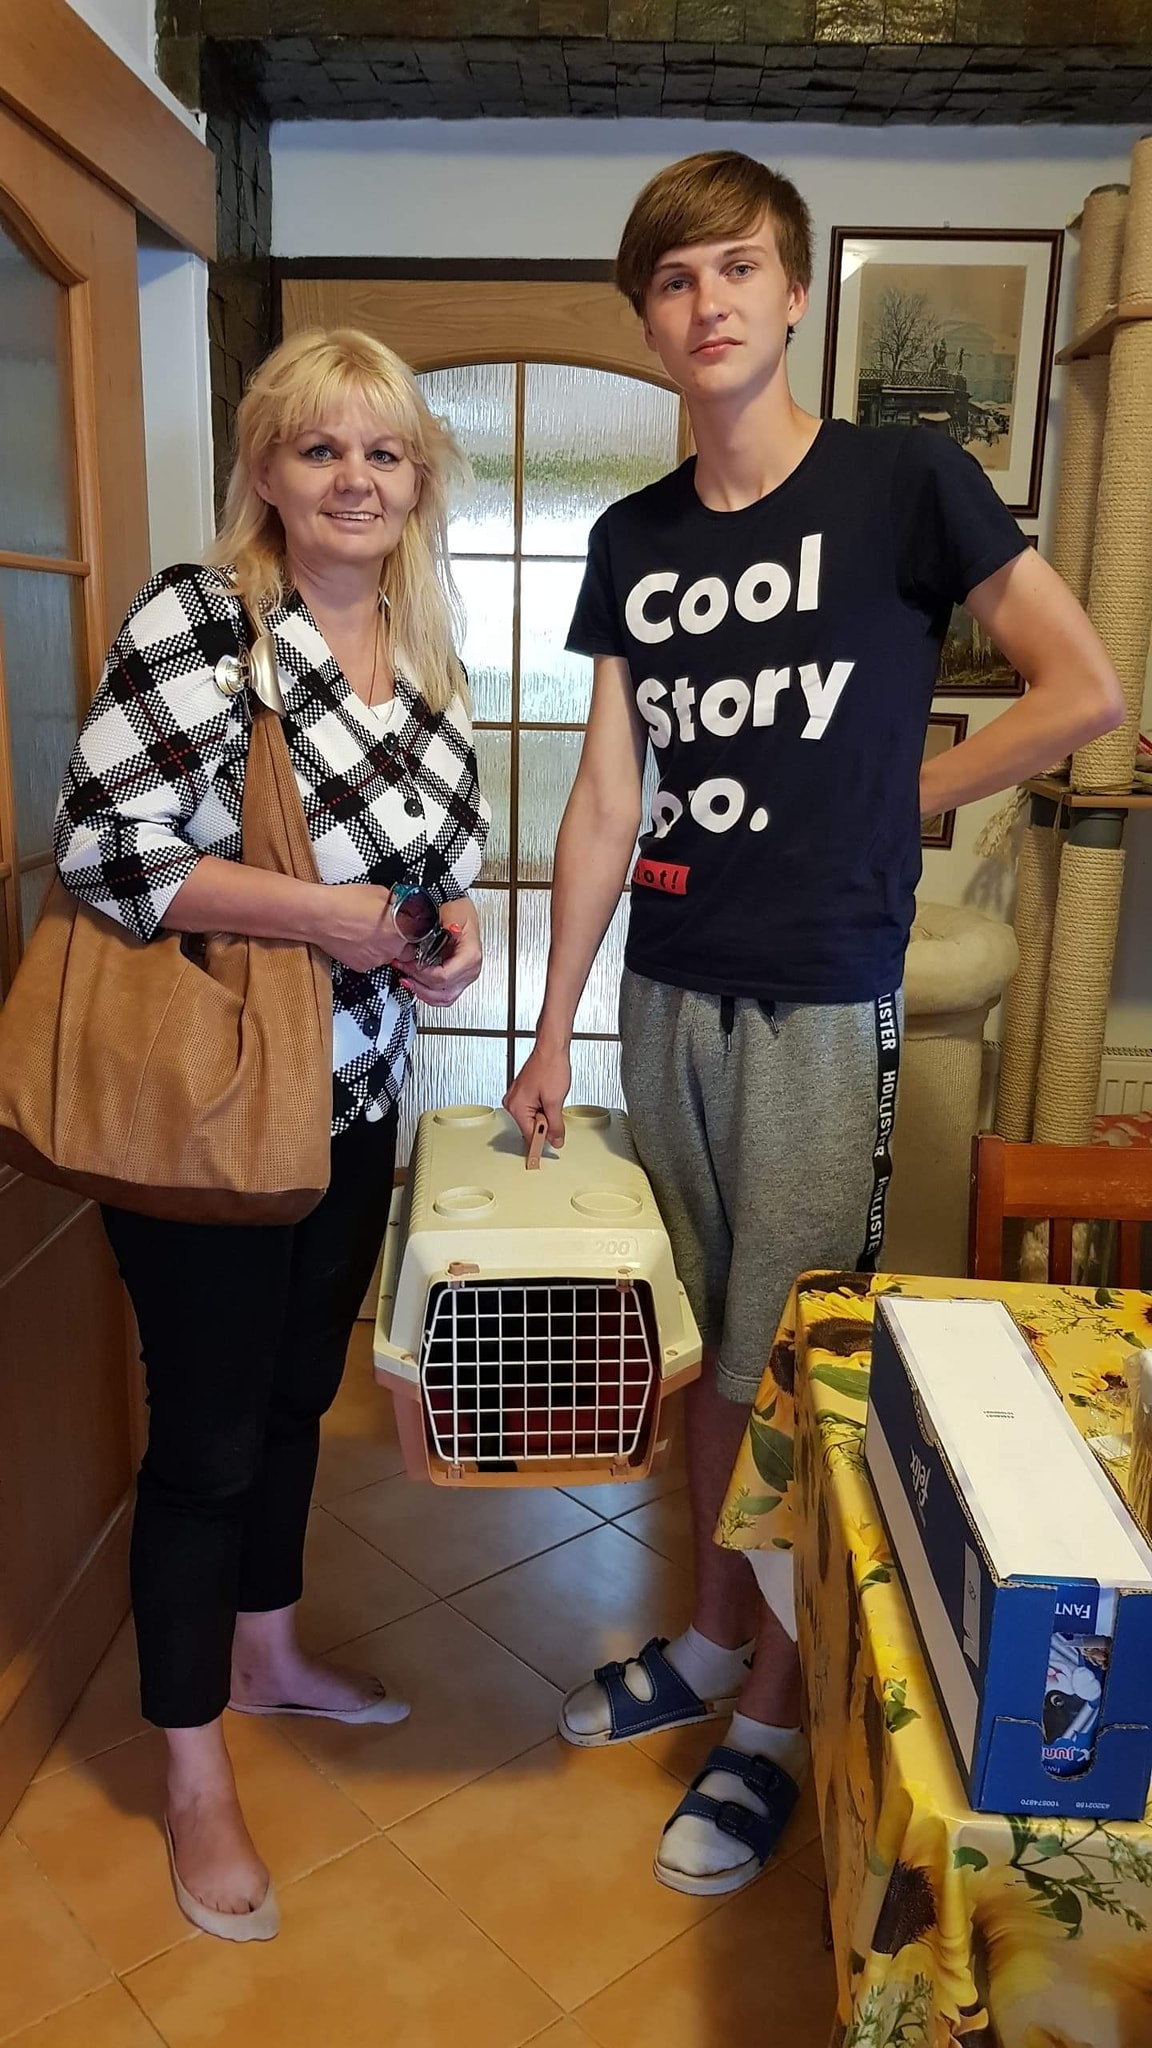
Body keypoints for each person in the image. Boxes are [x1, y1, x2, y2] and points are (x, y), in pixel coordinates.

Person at [505, 151, 1123, 1898]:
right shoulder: (635, 539)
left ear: (794, 297)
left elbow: (1084, 689)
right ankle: (715, 1641)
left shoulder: (903, 481)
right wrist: (550, 1029)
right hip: (664, 992)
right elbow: (606, 793)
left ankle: (772, 1721)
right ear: (649, 321)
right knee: (702, 1345)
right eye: (672, 279)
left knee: (792, 1361)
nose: (705, 301)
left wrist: (904, 795)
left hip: (822, 1000)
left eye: (735, 268)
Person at [54, 328, 489, 1940]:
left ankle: (272, 1651)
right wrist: (329, 915)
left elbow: (437, 877)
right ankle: (192, 1770)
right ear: (266, 471)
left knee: (300, 1397)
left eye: (384, 453)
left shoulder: (425, 655)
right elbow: (104, 847)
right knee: (208, 1440)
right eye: (320, 449)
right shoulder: (204, 621)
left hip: (355, 1102)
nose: (354, 480)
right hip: (213, 1108)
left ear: (418, 483)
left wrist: (447, 937)